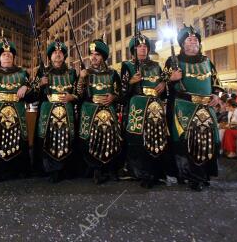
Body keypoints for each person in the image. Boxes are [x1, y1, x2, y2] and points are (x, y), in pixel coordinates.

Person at [165, 25, 222, 192]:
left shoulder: (207, 61)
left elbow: (216, 84)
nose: (193, 40)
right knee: (189, 142)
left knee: (208, 141)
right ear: (182, 44)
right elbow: (162, 86)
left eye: (196, 39)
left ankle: (205, 174)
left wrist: (217, 95)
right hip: (184, 107)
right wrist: (172, 78)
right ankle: (191, 177)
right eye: (189, 39)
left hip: (206, 106)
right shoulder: (173, 61)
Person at [121, 34, 167, 188]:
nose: (142, 48)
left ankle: (157, 173)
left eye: (145, 46)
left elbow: (163, 89)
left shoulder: (156, 65)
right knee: (138, 141)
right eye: (139, 46)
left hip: (154, 107)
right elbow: (121, 92)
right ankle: (140, 173)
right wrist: (130, 82)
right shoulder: (127, 66)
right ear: (133, 50)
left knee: (156, 139)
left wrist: (164, 85)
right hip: (137, 107)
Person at [0, 34, 33, 181]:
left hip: (17, 110)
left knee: (17, 140)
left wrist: (25, 86)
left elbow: (31, 88)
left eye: (9, 54)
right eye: (4, 54)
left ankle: (16, 170)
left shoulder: (22, 72)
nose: (7, 56)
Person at [77, 38, 122, 184]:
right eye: (91, 54)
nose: (93, 57)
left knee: (111, 139)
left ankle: (111, 169)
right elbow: (79, 94)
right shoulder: (86, 72)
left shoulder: (113, 73)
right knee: (92, 140)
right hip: (90, 111)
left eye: (97, 54)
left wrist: (113, 97)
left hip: (108, 110)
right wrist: (81, 79)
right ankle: (96, 170)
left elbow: (120, 92)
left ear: (103, 56)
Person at [33, 38, 78, 183]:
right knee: (48, 139)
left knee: (66, 139)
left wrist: (73, 96)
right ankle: (49, 169)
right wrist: (40, 84)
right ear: (50, 56)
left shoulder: (71, 72)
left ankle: (65, 170)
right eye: (54, 52)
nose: (57, 54)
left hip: (67, 112)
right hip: (48, 112)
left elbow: (79, 92)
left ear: (64, 56)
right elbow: (33, 94)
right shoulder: (42, 71)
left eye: (60, 52)